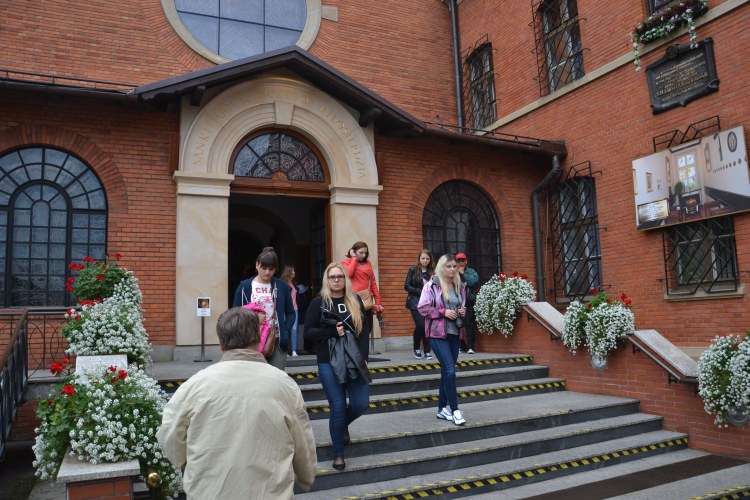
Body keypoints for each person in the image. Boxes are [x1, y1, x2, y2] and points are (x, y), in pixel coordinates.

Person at [157, 307, 317, 499]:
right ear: (258, 339)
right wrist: (306, 477)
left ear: (221, 344)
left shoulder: (195, 386)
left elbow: (169, 438)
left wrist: (187, 460)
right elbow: (303, 445)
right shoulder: (284, 385)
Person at [304, 262, 371, 472]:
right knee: (338, 407)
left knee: (361, 403)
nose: (336, 280)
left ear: (345, 279)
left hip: (354, 358)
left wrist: (364, 357)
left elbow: (364, 330)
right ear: (327, 279)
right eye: (332, 277)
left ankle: (341, 425)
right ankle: (338, 454)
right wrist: (332, 332)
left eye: (339, 277)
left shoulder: (355, 300)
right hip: (328, 360)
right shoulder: (319, 302)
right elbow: (308, 333)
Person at [418, 253, 467, 426]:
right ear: (441, 267)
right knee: (450, 371)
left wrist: (462, 311)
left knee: (447, 372)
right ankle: (455, 410)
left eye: (454, 267)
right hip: (437, 334)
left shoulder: (459, 285)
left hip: (455, 333)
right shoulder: (431, 285)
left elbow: (461, 304)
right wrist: (443, 312)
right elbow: (422, 308)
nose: (452, 269)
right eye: (449, 266)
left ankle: (441, 409)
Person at [232, 248, 295, 370]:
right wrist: (254, 318)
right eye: (264, 268)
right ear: (257, 265)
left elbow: (291, 313)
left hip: (276, 340)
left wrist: (285, 330)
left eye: (271, 269)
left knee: (276, 376)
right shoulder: (245, 286)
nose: (267, 272)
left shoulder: (281, 286)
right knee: (254, 376)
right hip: (251, 341)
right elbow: (234, 314)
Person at [342, 241, 384, 336]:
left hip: (366, 299)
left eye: (365, 253)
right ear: (353, 251)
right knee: (355, 327)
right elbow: (348, 274)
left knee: (368, 328)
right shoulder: (346, 262)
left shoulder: (368, 263)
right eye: (361, 252)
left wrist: (378, 302)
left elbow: (373, 282)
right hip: (352, 299)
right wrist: (354, 259)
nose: (364, 255)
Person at [404, 249, 435, 359]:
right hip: (415, 302)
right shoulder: (413, 270)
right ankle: (416, 347)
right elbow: (407, 286)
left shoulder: (432, 272)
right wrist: (421, 292)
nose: (425, 260)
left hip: (429, 303)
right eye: (423, 258)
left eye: (427, 259)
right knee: (421, 325)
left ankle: (427, 351)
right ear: (419, 259)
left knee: (428, 326)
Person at [456, 252, 479, 354]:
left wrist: (463, 273)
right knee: (457, 324)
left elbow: (472, 282)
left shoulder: (471, 271)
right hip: (456, 302)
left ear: (466, 261)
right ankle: (461, 346)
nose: (461, 262)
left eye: (462, 260)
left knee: (468, 324)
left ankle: (470, 347)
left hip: (469, 302)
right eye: (458, 261)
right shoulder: (453, 271)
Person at [281, 265, 299, 356]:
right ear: (289, 272)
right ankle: (285, 351)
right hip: (285, 309)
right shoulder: (283, 283)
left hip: (295, 308)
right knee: (285, 329)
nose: (294, 273)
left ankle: (294, 351)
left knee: (294, 330)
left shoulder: (294, 283)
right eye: (293, 271)